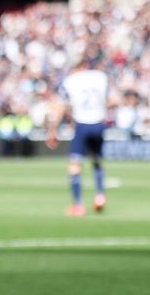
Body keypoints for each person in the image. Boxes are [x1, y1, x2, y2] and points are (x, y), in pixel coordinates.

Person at [46, 56, 110, 216]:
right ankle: (100, 195)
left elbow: (60, 106)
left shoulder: (70, 81)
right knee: (97, 161)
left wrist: (53, 130)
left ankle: (78, 205)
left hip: (82, 124)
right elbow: (110, 99)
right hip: (99, 124)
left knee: (75, 165)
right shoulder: (101, 77)